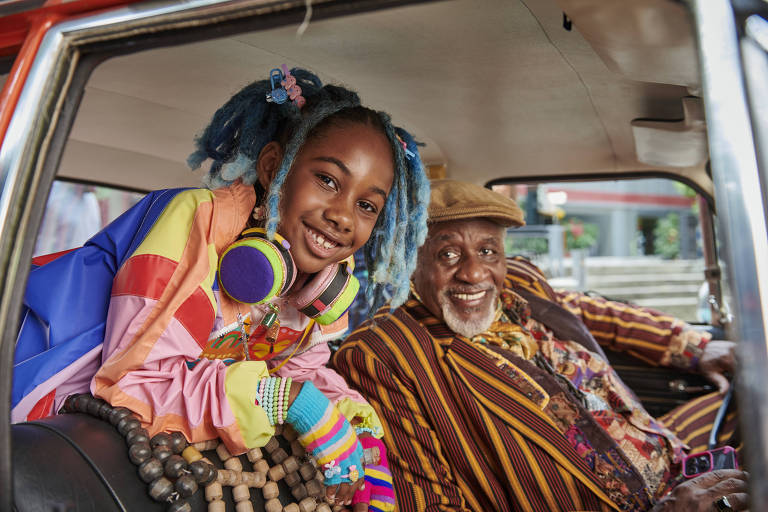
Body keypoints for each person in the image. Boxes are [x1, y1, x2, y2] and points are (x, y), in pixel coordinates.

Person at [13, 67, 430, 509]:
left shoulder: (325, 268)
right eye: (327, 180)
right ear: (274, 169)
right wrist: (283, 400)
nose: (343, 217)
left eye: (366, 206)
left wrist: (362, 432)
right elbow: (132, 382)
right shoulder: (196, 221)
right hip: (45, 402)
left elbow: (303, 369)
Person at [333, 179, 747, 511]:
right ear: (412, 263)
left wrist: (693, 347)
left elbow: (593, 312)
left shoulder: (520, 284)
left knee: (755, 402)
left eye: (487, 250)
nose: (474, 273)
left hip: (674, 457)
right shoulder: (388, 353)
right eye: (448, 254)